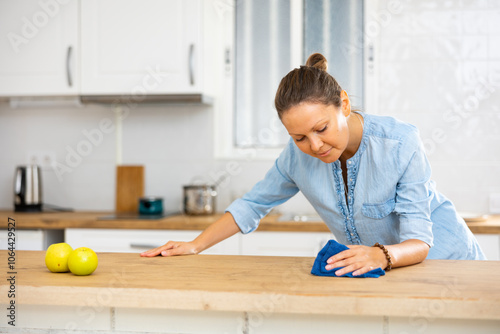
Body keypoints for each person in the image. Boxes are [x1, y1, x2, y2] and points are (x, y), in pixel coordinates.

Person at [141, 53, 486, 276]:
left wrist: (381, 255)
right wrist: (194, 245)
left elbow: (419, 240)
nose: (314, 146)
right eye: (299, 137)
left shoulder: (399, 143)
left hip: (451, 264)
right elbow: (252, 205)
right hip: (383, 271)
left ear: (345, 105)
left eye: (321, 129)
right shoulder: (296, 158)